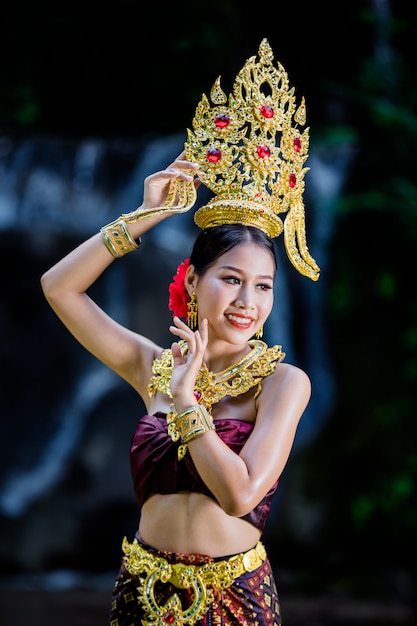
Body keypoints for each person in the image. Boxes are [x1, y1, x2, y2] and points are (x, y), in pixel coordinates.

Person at [41, 39, 319, 626]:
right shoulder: (151, 366)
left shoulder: (284, 383)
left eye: (264, 286)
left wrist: (188, 401)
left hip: (233, 600)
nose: (248, 301)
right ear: (193, 282)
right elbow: (59, 288)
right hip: (141, 588)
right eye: (231, 279)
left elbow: (241, 496)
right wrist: (144, 216)